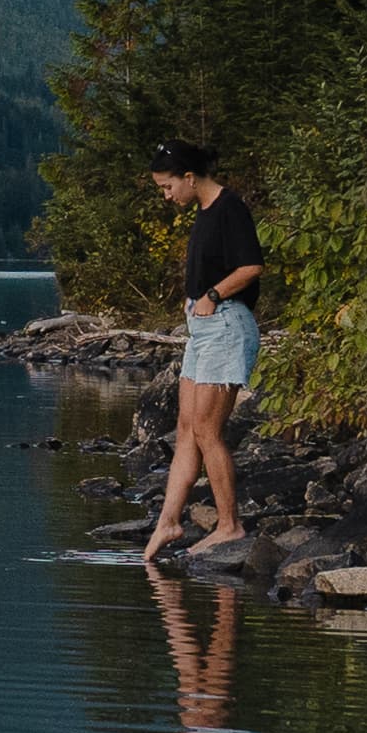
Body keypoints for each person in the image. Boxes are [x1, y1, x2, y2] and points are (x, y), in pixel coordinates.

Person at [139, 137, 263, 563]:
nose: (166, 194)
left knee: (208, 430)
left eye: (167, 186)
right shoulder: (205, 212)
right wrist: (194, 300)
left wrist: (211, 294)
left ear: (189, 177)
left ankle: (230, 526)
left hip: (227, 326)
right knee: (187, 427)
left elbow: (251, 266)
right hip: (204, 330)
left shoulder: (229, 208)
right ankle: (168, 521)